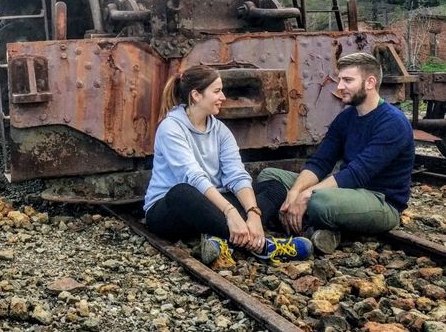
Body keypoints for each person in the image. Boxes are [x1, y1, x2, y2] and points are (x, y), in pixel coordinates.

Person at [144, 64, 312, 265]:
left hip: (212, 205)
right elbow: (193, 176)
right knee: (182, 192)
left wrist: (253, 214)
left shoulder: (220, 130)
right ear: (196, 96)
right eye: (216, 91)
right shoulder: (171, 128)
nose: (223, 97)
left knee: (274, 187)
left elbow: (237, 176)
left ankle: (225, 240)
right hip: (170, 210)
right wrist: (231, 213)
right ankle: (263, 246)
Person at [255, 52, 415, 254]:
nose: (339, 87)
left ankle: (291, 225)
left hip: (380, 200)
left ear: (370, 82)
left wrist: (305, 196)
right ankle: (304, 230)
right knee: (269, 175)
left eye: (347, 80)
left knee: (319, 201)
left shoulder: (393, 123)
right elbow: (320, 162)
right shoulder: (346, 117)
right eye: (340, 79)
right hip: (347, 193)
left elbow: (357, 173)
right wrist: (295, 192)